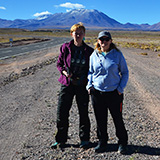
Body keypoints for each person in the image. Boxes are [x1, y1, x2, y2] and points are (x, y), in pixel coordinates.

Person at [51, 23, 94, 149]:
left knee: (83, 113)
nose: (78, 35)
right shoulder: (65, 47)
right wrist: (65, 73)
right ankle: (60, 140)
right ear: (72, 34)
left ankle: (85, 139)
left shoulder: (89, 51)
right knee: (62, 112)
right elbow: (59, 64)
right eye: (76, 32)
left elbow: (91, 69)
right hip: (67, 84)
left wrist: (86, 78)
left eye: (80, 32)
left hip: (82, 85)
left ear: (84, 35)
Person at [86, 31, 129, 153]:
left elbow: (125, 72)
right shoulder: (94, 55)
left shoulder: (117, 55)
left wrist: (120, 89)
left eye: (106, 40)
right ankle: (102, 142)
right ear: (98, 41)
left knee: (117, 119)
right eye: (101, 40)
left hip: (114, 93)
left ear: (111, 41)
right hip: (97, 93)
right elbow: (90, 72)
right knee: (100, 119)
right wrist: (89, 86)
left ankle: (122, 143)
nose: (104, 42)